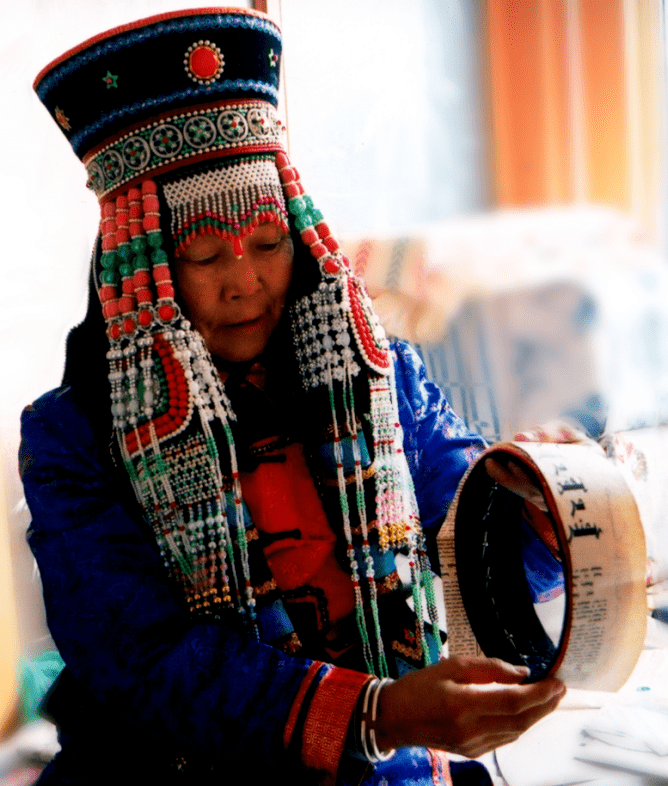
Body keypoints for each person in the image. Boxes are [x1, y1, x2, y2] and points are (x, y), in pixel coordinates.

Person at [20, 8, 566, 786]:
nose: (245, 281)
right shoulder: (70, 438)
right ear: (144, 268)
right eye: (204, 252)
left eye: (270, 243)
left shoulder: (381, 377)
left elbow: (464, 557)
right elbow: (145, 664)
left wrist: (547, 508)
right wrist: (378, 713)